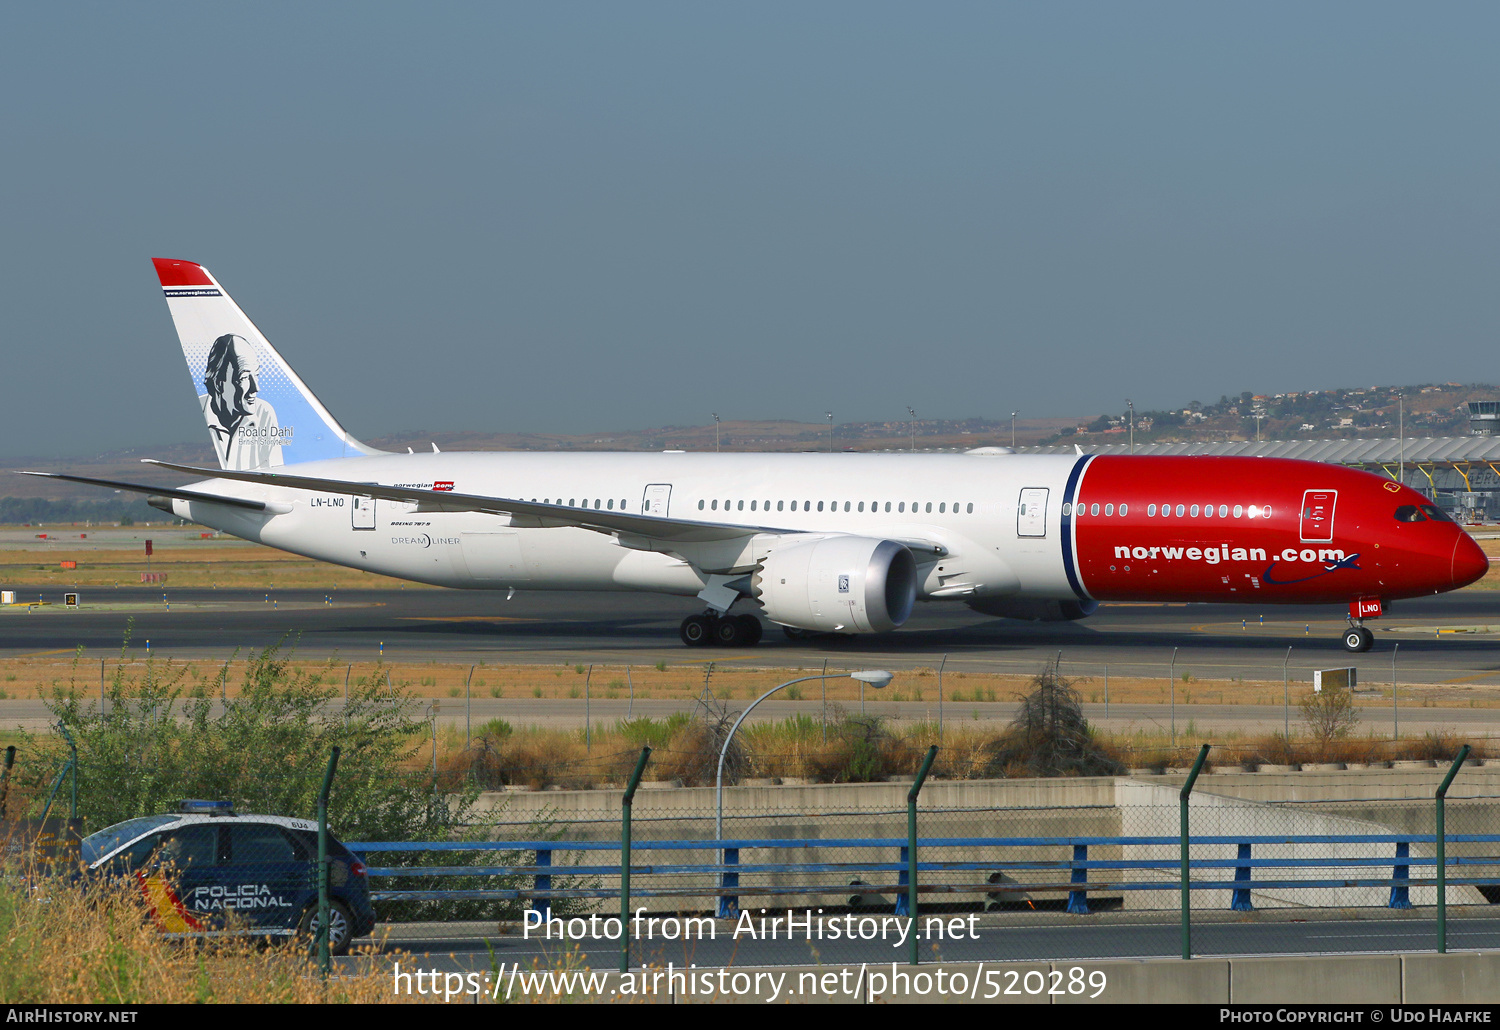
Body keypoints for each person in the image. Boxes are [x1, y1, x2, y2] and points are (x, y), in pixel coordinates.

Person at [201, 334, 283, 469]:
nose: (256, 388)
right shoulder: (200, 415)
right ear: (218, 384)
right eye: (244, 377)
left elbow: (278, 470)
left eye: (256, 375)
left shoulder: (264, 413)